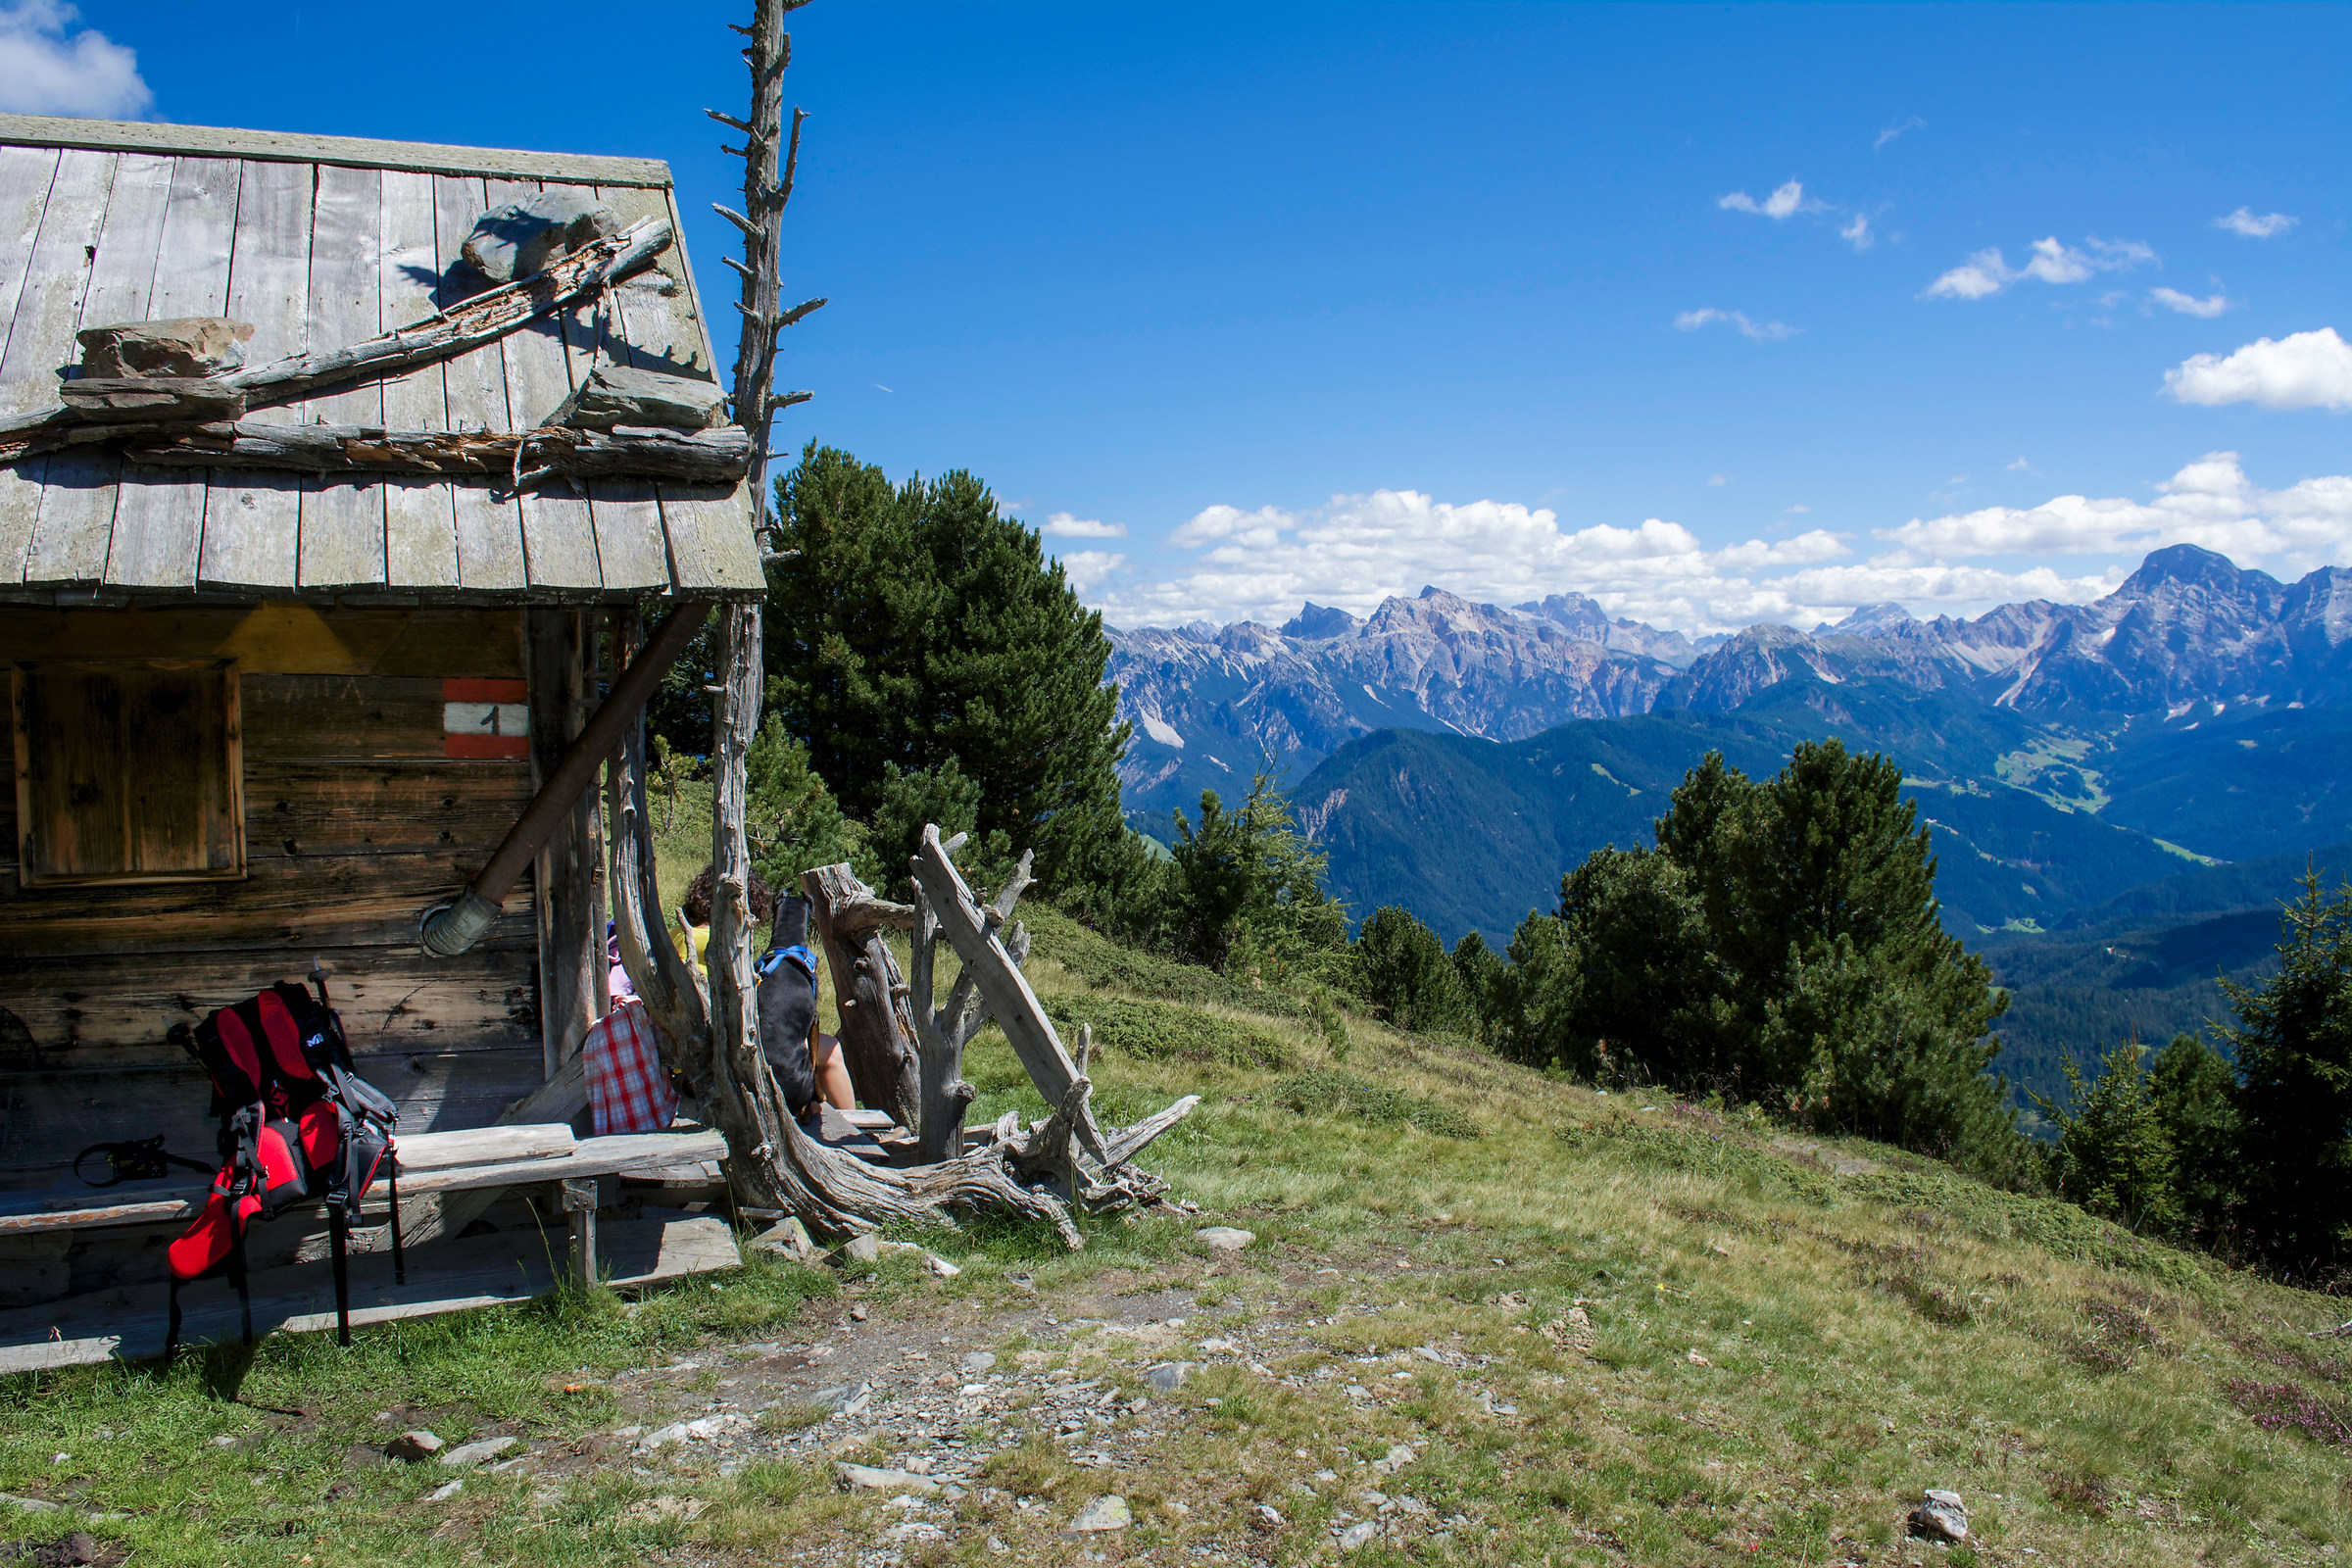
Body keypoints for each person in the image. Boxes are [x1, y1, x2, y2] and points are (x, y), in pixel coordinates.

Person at [679, 864, 854, 1117]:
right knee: (833, 1051)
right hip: (720, 1054)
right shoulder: (718, 942)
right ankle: (852, 1124)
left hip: (689, 1055)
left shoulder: (681, 933)